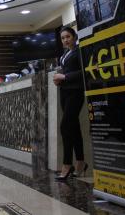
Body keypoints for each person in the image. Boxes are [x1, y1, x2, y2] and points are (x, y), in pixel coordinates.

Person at [53, 26, 88, 180]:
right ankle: (80, 162)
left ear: (74, 36)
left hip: (75, 92)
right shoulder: (65, 54)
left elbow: (84, 71)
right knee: (73, 128)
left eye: (68, 36)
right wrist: (58, 80)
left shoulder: (80, 51)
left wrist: (65, 77)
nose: (65, 40)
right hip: (65, 92)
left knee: (65, 126)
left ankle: (67, 164)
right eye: (63, 38)